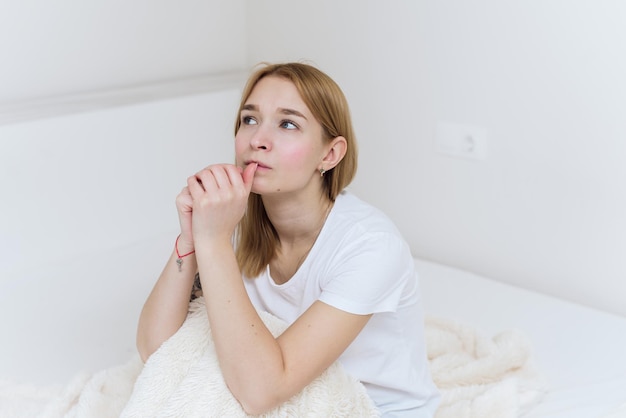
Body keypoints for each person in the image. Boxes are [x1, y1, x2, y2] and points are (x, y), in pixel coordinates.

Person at [136, 62, 440, 417]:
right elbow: (155, 350)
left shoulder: (371, 245)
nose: (257, 140)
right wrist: (192, 236)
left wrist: (215, 243)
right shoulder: (234, 220)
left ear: (329, 154)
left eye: (288, 124)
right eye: (249, 120)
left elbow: (261, 391)